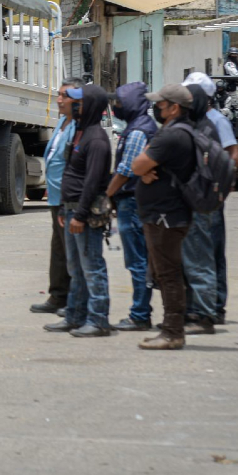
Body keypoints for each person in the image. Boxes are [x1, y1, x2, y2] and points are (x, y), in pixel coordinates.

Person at [43, 83, 113, 338]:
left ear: (90, 105)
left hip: (83, 214)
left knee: (92, 268)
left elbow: (93, 182)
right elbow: (70, 173)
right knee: (76, 269)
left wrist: (81, 215)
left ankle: (98, 319)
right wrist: (64, 207)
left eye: (77, 101)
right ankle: (75, 315)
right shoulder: (79, 133)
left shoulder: (96, 138)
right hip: (69, 209)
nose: (72, 104)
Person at [132, 84, 196, 350]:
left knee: (168, 275)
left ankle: (172, 332)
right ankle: (171, 329)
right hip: (166, 214)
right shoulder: (178, 133)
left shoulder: (171, 136)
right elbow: (145, 167)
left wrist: (144, 167)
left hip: (165, 217)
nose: (156, 109)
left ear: (174, 108)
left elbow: (137, 164)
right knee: (167, 273)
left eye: (160, 105)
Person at [185, 71, 238, 324]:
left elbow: (232, 156)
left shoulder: (216, 121)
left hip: (210, 199)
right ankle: (200, 303)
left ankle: (216, 305)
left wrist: (220, 191)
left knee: (213, 252)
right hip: (196, 199)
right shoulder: (192, 120)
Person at [105, 82, 156, 331]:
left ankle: (140, 314)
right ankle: (141, 312)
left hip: (133, 202)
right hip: (132, 202)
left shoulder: (137, 131)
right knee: (139, 260)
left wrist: (107, 195)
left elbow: (126, 171)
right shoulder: (136, 127)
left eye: (120, 103)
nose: (116, 107)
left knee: (137, 261)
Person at [30, 78, 81, 315]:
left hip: (68, 198)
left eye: (64, 96)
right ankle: (58, 295)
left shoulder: (77, 127)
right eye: (59, 94)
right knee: (58, 249)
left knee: (72, 251)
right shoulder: (62, 122)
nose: (59, 100)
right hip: (56, 197)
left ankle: (74, 299)